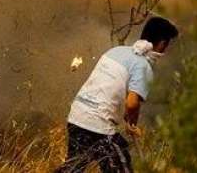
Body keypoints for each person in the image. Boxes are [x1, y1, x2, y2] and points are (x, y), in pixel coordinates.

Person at [56, 16, 179, 173]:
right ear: (162, 43)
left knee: (73, 168)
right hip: (98, 126)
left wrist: (128, 116)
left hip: (77, 117)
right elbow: (132, 103)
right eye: (167, 44)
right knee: (121, 166)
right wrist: (132, 123)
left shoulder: (116, 51)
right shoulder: (143, 66)